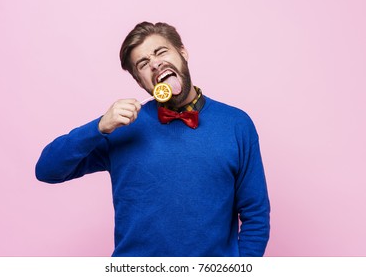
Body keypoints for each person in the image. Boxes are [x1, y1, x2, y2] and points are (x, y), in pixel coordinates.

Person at [35, 21, 270, 257]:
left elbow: (255, 214)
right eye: (144, 64)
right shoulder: (121, 128)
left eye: (161, 52)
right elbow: (47, 169)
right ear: (140, 82)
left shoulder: (236, 124)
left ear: (183, 53)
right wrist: (98, 127)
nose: (155, 63)